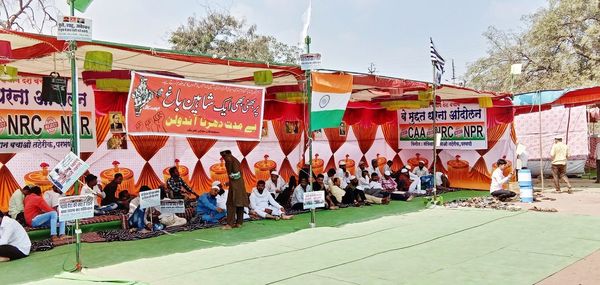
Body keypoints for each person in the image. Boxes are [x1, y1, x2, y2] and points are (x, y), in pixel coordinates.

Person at [220, 149, 250, 229]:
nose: (223, 158)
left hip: (235, 187)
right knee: (239, 203)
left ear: (226, 154)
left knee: (230, 204)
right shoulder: (235, 160)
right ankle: (239, 223)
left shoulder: (229, 160)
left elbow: (236, 174)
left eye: (223, 156)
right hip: (239, 185)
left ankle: (229, 224)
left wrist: (230, 178)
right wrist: (229, 182)